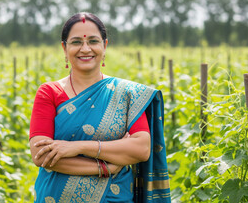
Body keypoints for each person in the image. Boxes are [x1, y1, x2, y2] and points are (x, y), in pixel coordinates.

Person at [29, 12, 171, 203]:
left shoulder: (126, 93)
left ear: (104, 46)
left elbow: (142, 148)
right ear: (65, 48)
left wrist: (75, 147)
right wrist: (106, 167)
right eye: (76, 42)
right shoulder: (49, 93)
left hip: (115, 197)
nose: (85, 49)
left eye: (93, 41)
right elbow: (41, 155)